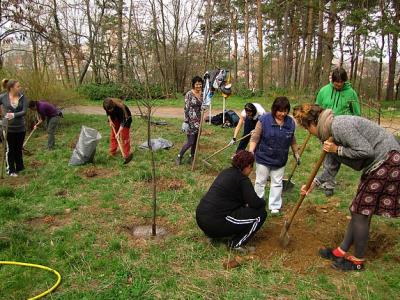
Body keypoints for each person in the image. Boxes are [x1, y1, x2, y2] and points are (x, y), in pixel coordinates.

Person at [294, 103, 400, 271]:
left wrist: (338, 150)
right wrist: (312, 185)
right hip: (378, 164)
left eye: (307, 129)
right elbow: (330, 168)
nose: (309, 133)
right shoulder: (328, 135)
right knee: (357, 210)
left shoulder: (339, 125)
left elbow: (366, 151)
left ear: (313, 124)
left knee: (360, 212)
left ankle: (358, 261)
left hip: (387, 160)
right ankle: (341, 250)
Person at [196, 150, 267, 251]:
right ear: (247, 166)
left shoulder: (226, 172)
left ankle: (214, 234)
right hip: (214, 223)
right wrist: (263, 202)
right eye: (251, 167)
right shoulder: (242, 179)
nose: (251, 170)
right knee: (260, 215)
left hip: (201, 218)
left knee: (242, 209)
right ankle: (236, 243)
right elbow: (254, 203)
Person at [249, 97, 299, 214]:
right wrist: (251, 151)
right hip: (263, 157)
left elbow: (292, 139)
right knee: (260, 181)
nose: (283, 113)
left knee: (277, 183)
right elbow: (255, 137)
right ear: (274, 109)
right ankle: (258, 203)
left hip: (280, 159)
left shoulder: (290, 122)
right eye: (280, 111)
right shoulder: (264, 120)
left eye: (285, 111)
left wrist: (296, 153)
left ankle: (274, 206)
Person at [316, 67, 361, 196]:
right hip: (325, 129)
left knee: (334, 156)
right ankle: (327, 182)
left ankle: (329, 183)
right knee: (326, 155)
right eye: (336, 83)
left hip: (342, 130)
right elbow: (318, 108)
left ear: (345, 81)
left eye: (341, 82)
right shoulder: (324, 91)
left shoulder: (351, 93)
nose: (339, 85)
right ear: (333, 81)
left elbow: (356, 113)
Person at [0, 79, 28, 177]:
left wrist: (14, 115)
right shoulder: (3, 97)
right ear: (11, 88)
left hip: (20, 127)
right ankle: (10, 170)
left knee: (18, 148)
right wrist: (3, 114)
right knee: (10, 149)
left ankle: (20, 167)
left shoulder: (22, 97)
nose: (20, 88)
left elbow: (24, 111)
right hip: (8, 127)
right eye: (18, 86)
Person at [176, 76, 203, 165]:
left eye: (200, 84)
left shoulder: (202, 94)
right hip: (190, 121)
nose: (198, 86)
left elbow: (203, 106)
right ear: (193, 84)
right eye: (197, 84)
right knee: (190, 141)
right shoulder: (189, 94)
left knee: (196, 141)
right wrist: (186, 121)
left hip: (199, 121)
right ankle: (179, 156)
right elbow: (186, 108)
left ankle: (192, 157)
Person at [103, 97, 133, 164]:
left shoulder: (120, 107)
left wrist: (118, 133)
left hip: (125, 120)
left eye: (111, 109)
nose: (110, 110)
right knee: (113, 136)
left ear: (113, 105)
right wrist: (110, 121)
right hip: (115, 118)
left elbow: (123, 122)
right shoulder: (107, 106)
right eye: (108, 109)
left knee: (124, 137)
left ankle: (126, 154)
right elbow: (108, 113)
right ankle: (112, 152)